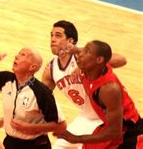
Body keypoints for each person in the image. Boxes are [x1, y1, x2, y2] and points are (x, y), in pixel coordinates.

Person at [41, 20, 127, 149]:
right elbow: (41, 98)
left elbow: (121, 60)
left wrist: (87, 62)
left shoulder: (84, 57)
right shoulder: (51, 69)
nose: (52, 39)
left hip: (106, 119)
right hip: (85, 118)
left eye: (58, 35)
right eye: (51, 35)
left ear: (70, 41)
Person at [55, 40, 143, 148]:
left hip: (128, 131)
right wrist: (75, 49)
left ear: (99, 60)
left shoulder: (109, 89)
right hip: (109, 125)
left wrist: (76, 138)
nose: (80, 54)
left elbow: (115, 132)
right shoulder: (91, 69)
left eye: (86, 51)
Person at [0, 48, 67, 149]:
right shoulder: (6, 79)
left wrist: (30, 128)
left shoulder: (42, 92)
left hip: (35, 146)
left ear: (32, 67)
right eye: (18, 53)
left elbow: (61, 126)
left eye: (23, 55)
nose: (16, 56)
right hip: (10, 142)